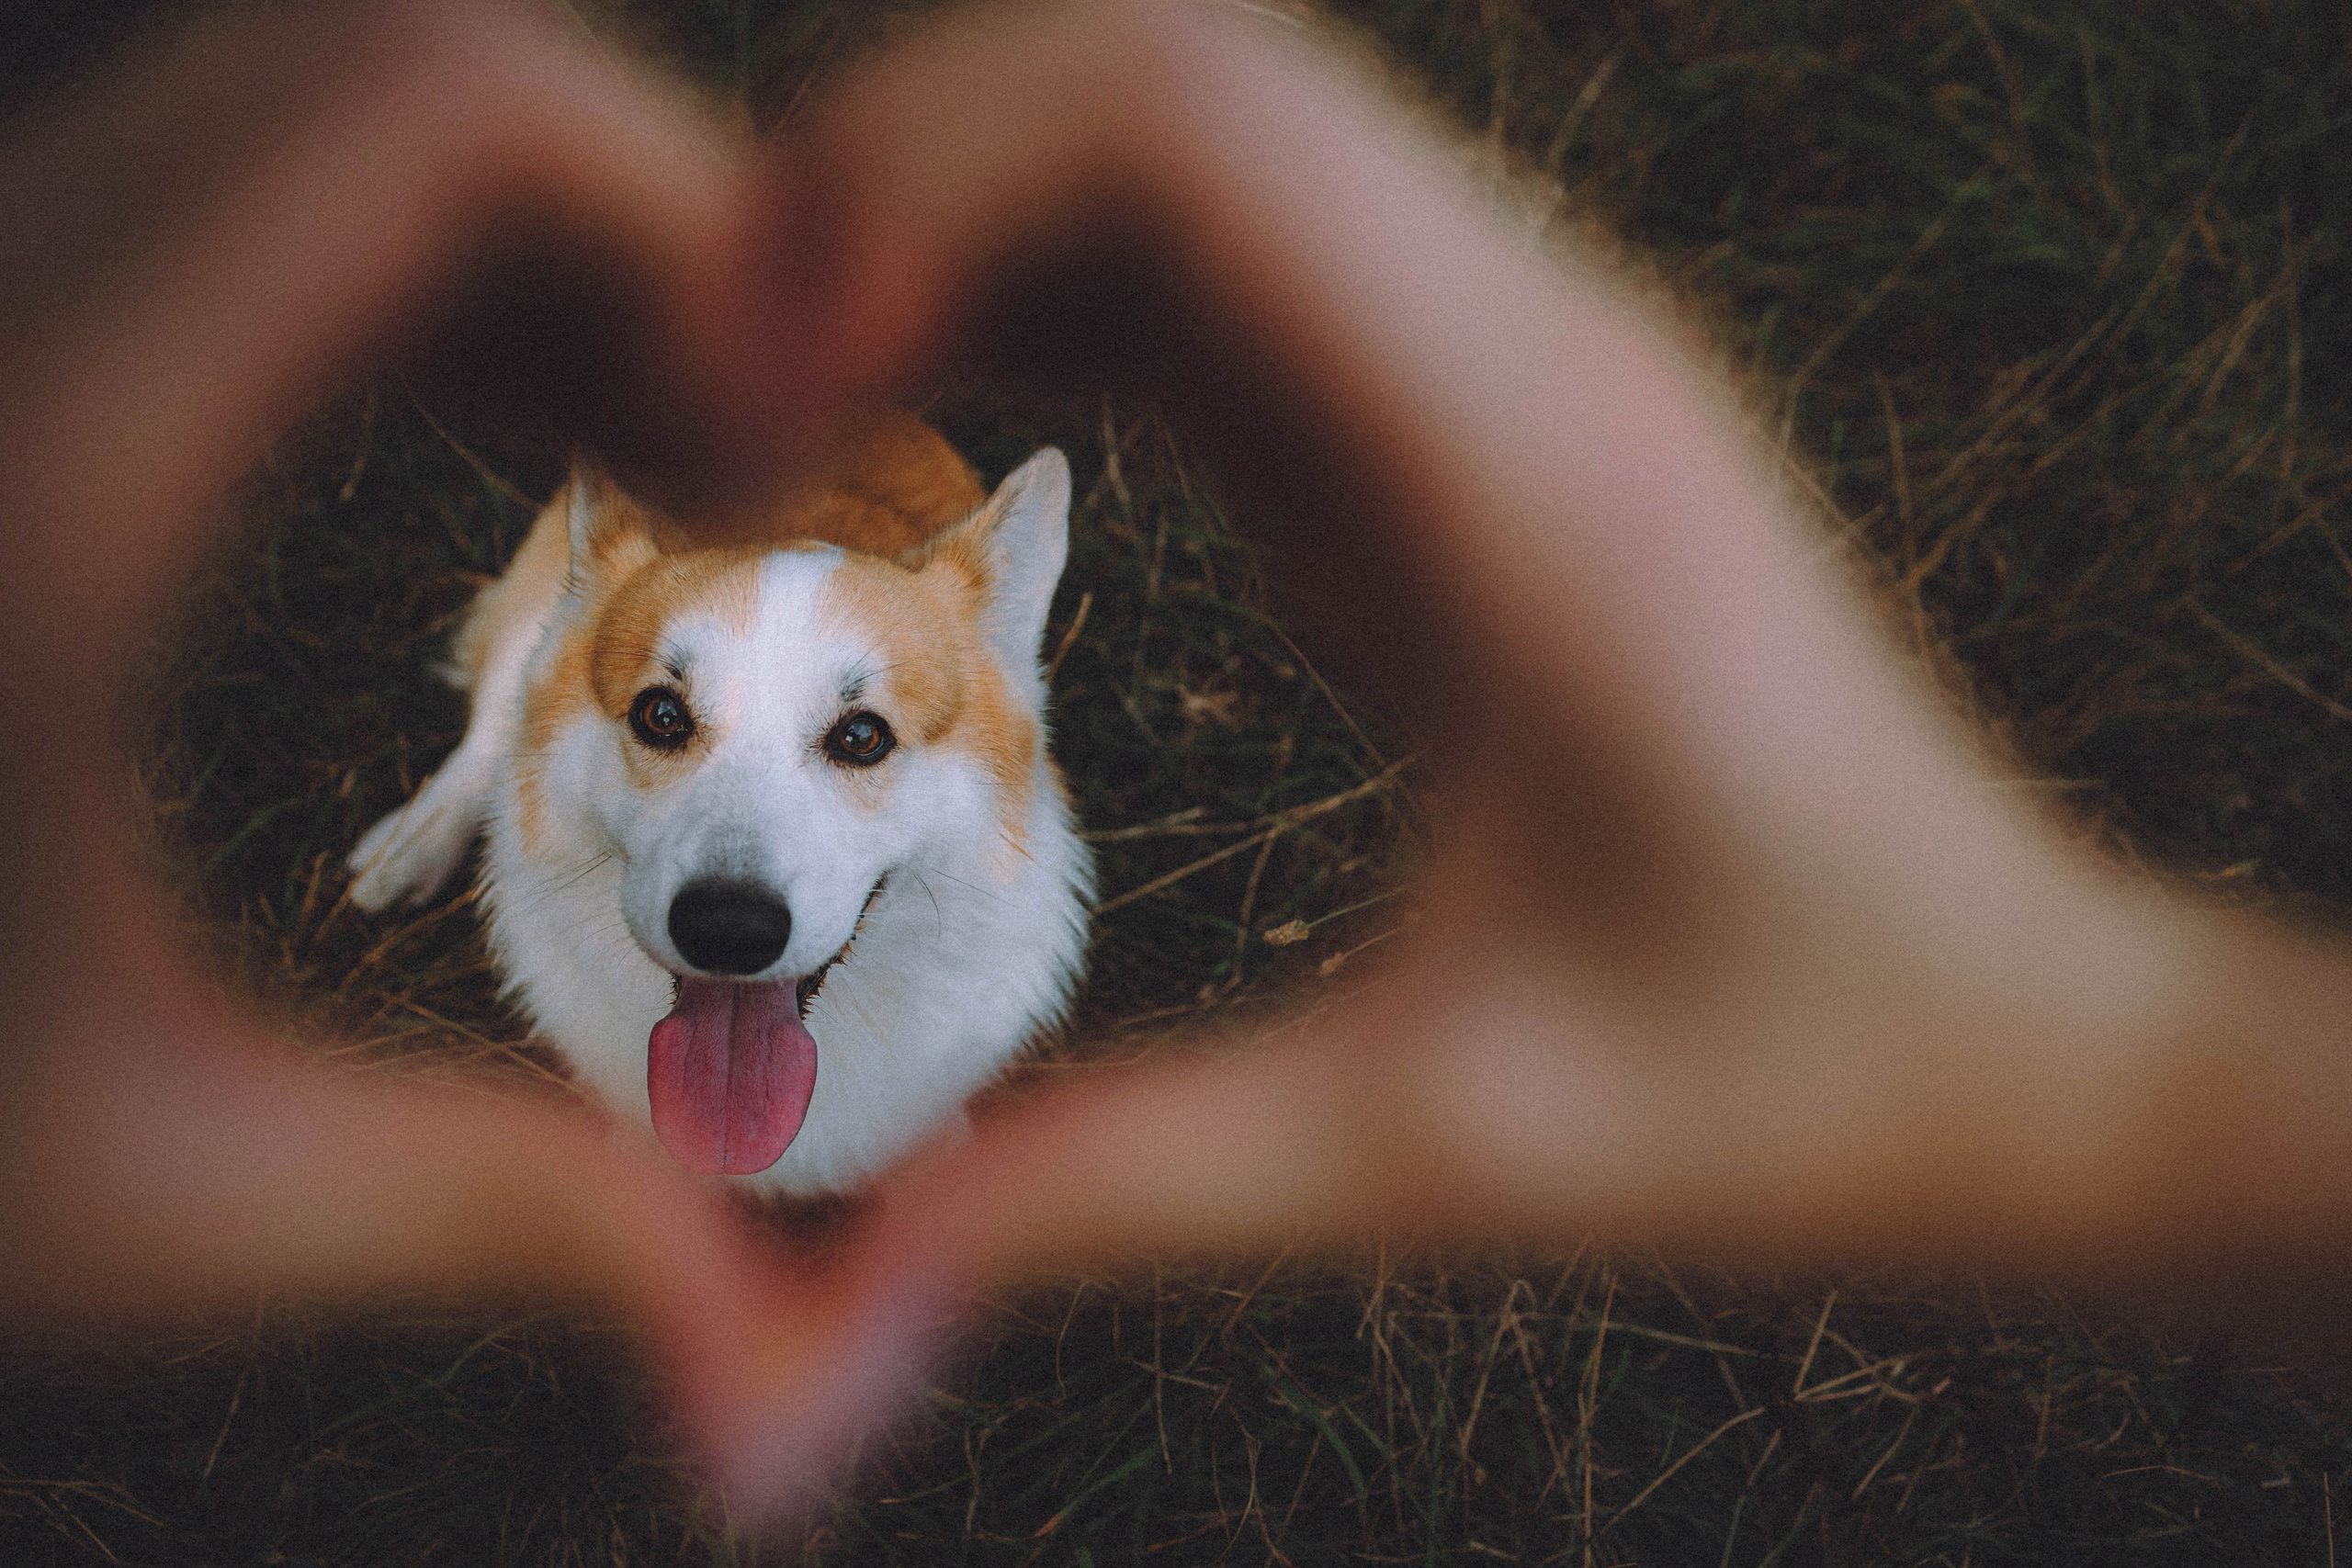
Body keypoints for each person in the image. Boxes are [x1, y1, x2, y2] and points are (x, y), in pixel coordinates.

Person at [4, 0, 2344, 1523]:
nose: (733, 857)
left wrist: (2096, 1080)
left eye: (854, 744)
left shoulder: (970, 616)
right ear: (591, 716)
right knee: (551, 777)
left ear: (987, 673)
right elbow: (614, 698)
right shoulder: (588, 679)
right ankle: (454, 784)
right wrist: (2104, 1081)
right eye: (656, 716)